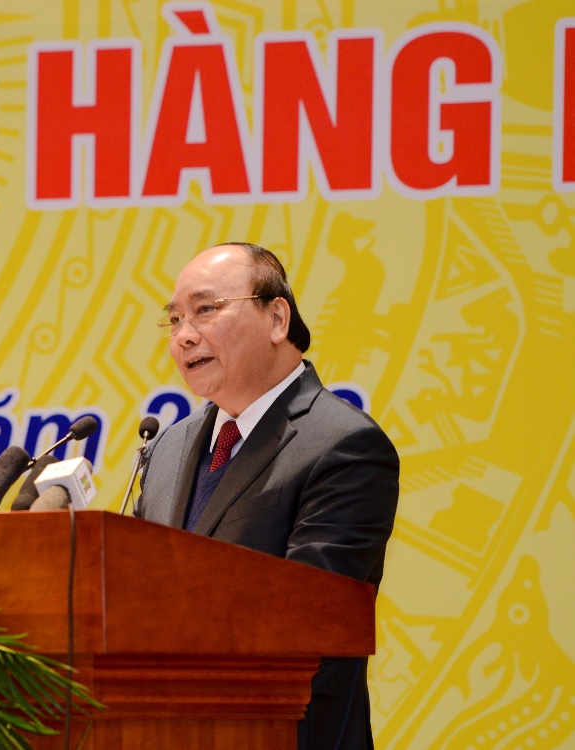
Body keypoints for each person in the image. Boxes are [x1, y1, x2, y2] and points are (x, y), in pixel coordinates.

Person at [134, 242, 399, 750]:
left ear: (277, 318)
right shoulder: (167, 449)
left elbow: (309, 622)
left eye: (205, 310)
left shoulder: (344, 445)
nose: (184, 335)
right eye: (175, 319)